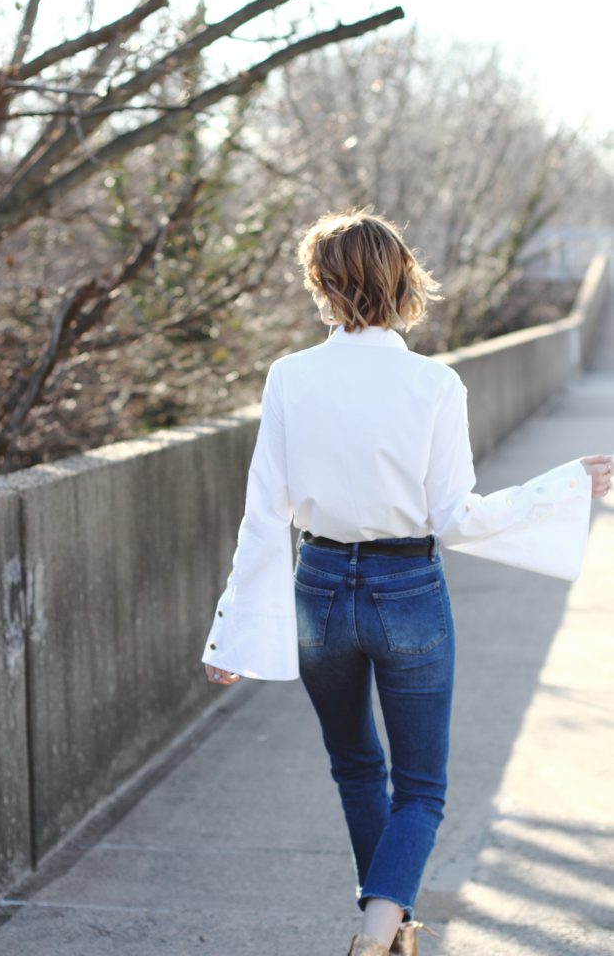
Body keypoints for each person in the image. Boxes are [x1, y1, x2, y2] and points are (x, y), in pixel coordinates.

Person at [201, 208, 611, 956]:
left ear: (321, 284)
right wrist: (557, 490)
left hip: (318, 586)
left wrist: (229, 630)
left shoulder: (289, 377)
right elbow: (454, 518)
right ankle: (377, 934)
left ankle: (386, 933)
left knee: (356, 767)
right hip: (406, 591)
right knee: (420, 787)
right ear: (401, 280)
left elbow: (265, 513)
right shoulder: (434, 384)